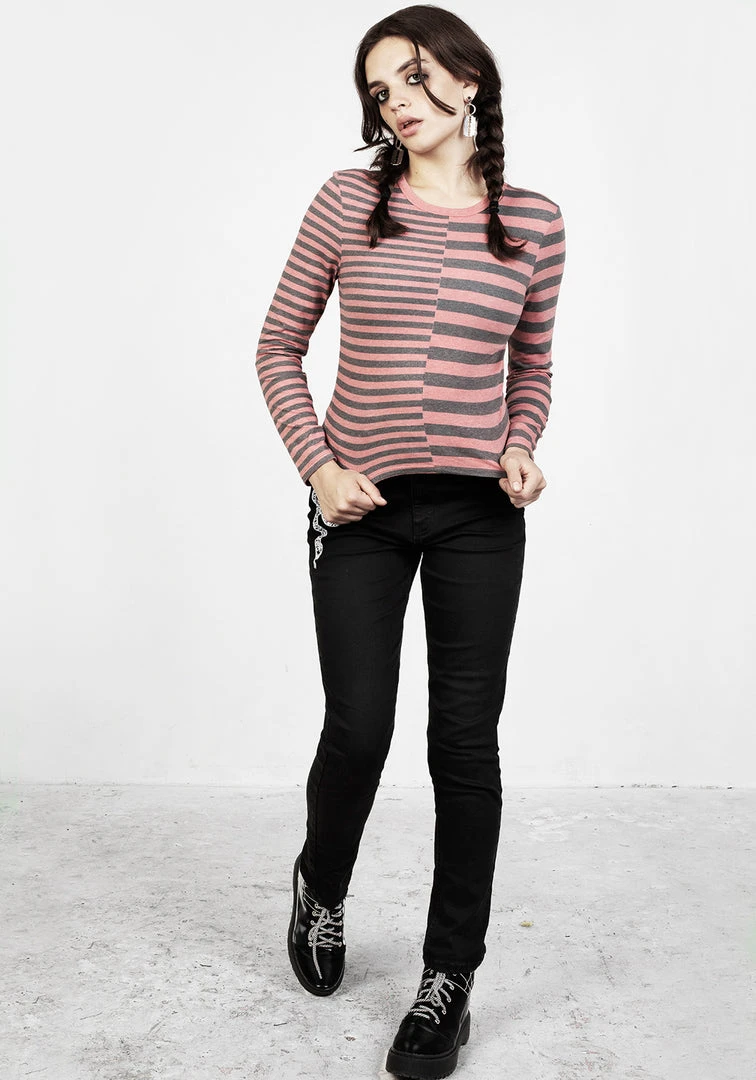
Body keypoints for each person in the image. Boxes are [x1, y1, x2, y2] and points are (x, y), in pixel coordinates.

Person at [255, 5, 566, 1076]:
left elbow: (532, 366)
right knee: (361, 728)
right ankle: (321, 888)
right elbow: (278, 346)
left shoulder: (534, 221)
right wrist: (319, 468)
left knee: (464, 746)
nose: (396, 101)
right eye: (380, 89)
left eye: (415, 76)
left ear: (470, 80)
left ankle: (449, 982)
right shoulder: (350, 201)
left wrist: (521, 444)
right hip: (361, 507)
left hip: (480, 515)